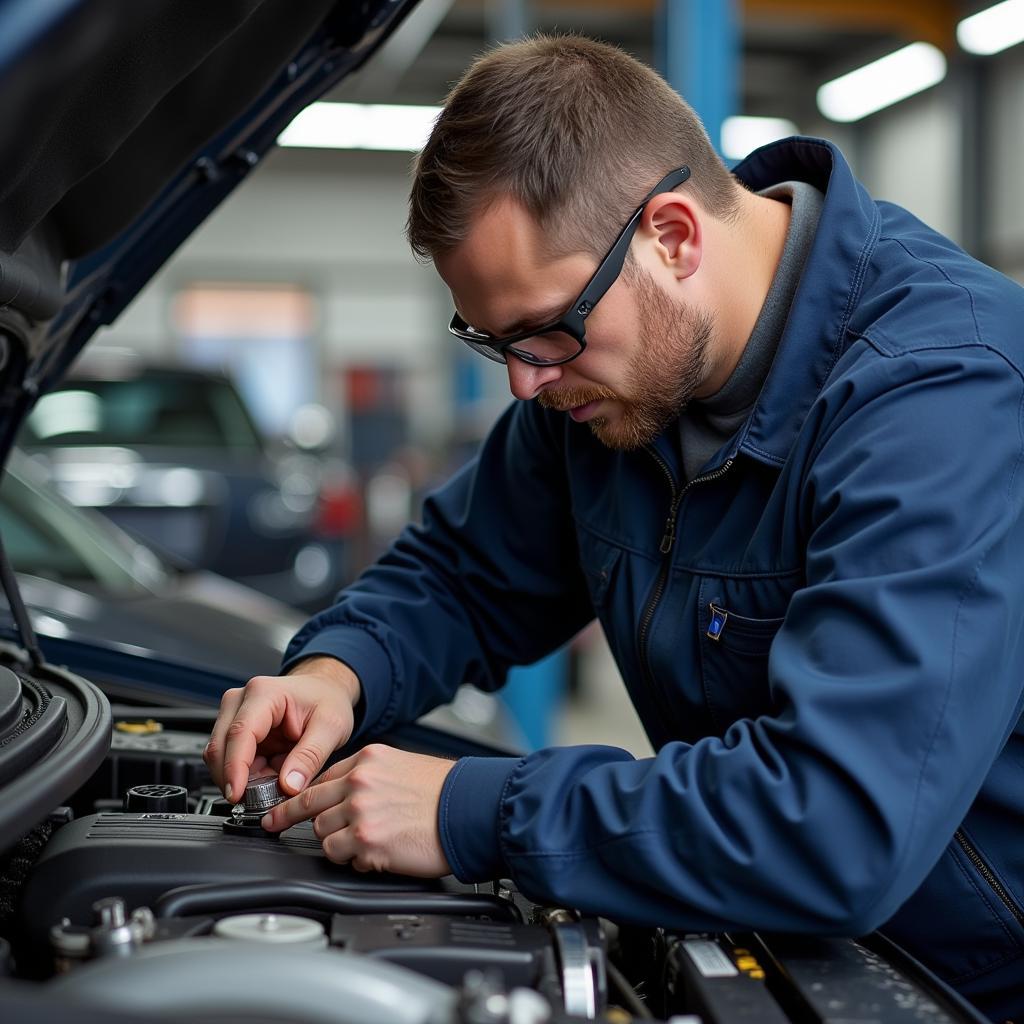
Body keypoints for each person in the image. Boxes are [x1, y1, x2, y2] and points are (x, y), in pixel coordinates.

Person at [204, 35, 1024, 1021]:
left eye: (544, 330)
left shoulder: (940, 398)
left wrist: (475, 811)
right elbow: (465, 572)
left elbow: (834, 822)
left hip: (968, 982)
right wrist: (335, 674)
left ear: (672, 235)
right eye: (494, 340)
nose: (523, 382)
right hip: (779, 940)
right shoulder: (604, 383)